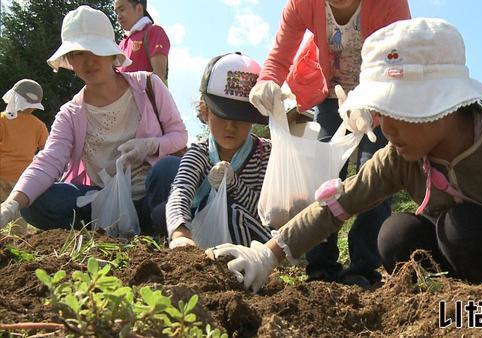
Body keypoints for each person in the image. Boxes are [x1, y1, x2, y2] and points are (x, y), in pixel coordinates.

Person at [206, 18, 482, 293]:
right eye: (381, 111)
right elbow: (337, 204)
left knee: (461, 227)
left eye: (398, 110)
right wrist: (268, 254)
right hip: (460, 259)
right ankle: (449, 305)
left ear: (446, 105)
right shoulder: (399, 157)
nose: (386, 127)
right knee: (396, 234)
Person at [249, 0, 411, 289]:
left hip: (380, 97)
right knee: (322, 178)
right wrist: (267, 82)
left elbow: (401, 65)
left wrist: (372, 111)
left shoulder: (390, 4)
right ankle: (321, 266)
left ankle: (363, 267)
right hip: (330, 98)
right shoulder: (302, 5)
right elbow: (279, 56)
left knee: (373, 174)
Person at [0, 6, 187, 233]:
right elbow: (48, 160)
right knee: (36, 203)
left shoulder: (148, 85)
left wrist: (151, 145)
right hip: (103, 201)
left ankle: (157, 227)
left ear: (111, 53)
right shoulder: (70, 113)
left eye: (96, 50)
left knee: (170, 167)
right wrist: (12, 204)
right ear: (69, 59)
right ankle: (106, 229)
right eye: (79, 53)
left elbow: (179, 135)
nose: (89, 61)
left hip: (151, 195)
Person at [163, 52, 272, 249]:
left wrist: (234, 185)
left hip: (256, 245)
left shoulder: (263, 154)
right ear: (205, 112)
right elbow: (181, 191)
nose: (231, 126)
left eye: (240, 117)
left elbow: (267, 212)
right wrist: (180, 232)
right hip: (206, 241)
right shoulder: (200, 154)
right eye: (222, 115)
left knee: (232, 211)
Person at [0, 79, 48, 235]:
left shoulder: (2, 120)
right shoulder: (39, 126)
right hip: (23, 181)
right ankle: (17, 246)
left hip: (1, 175)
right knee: (19, 219)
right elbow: (47, 151)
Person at [114, 0, 170, 84]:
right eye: (116, 13)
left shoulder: (153, 31)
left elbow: (159, 78)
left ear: (139, 8)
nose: (118, 16)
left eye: (122, 10)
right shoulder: (122, 43)